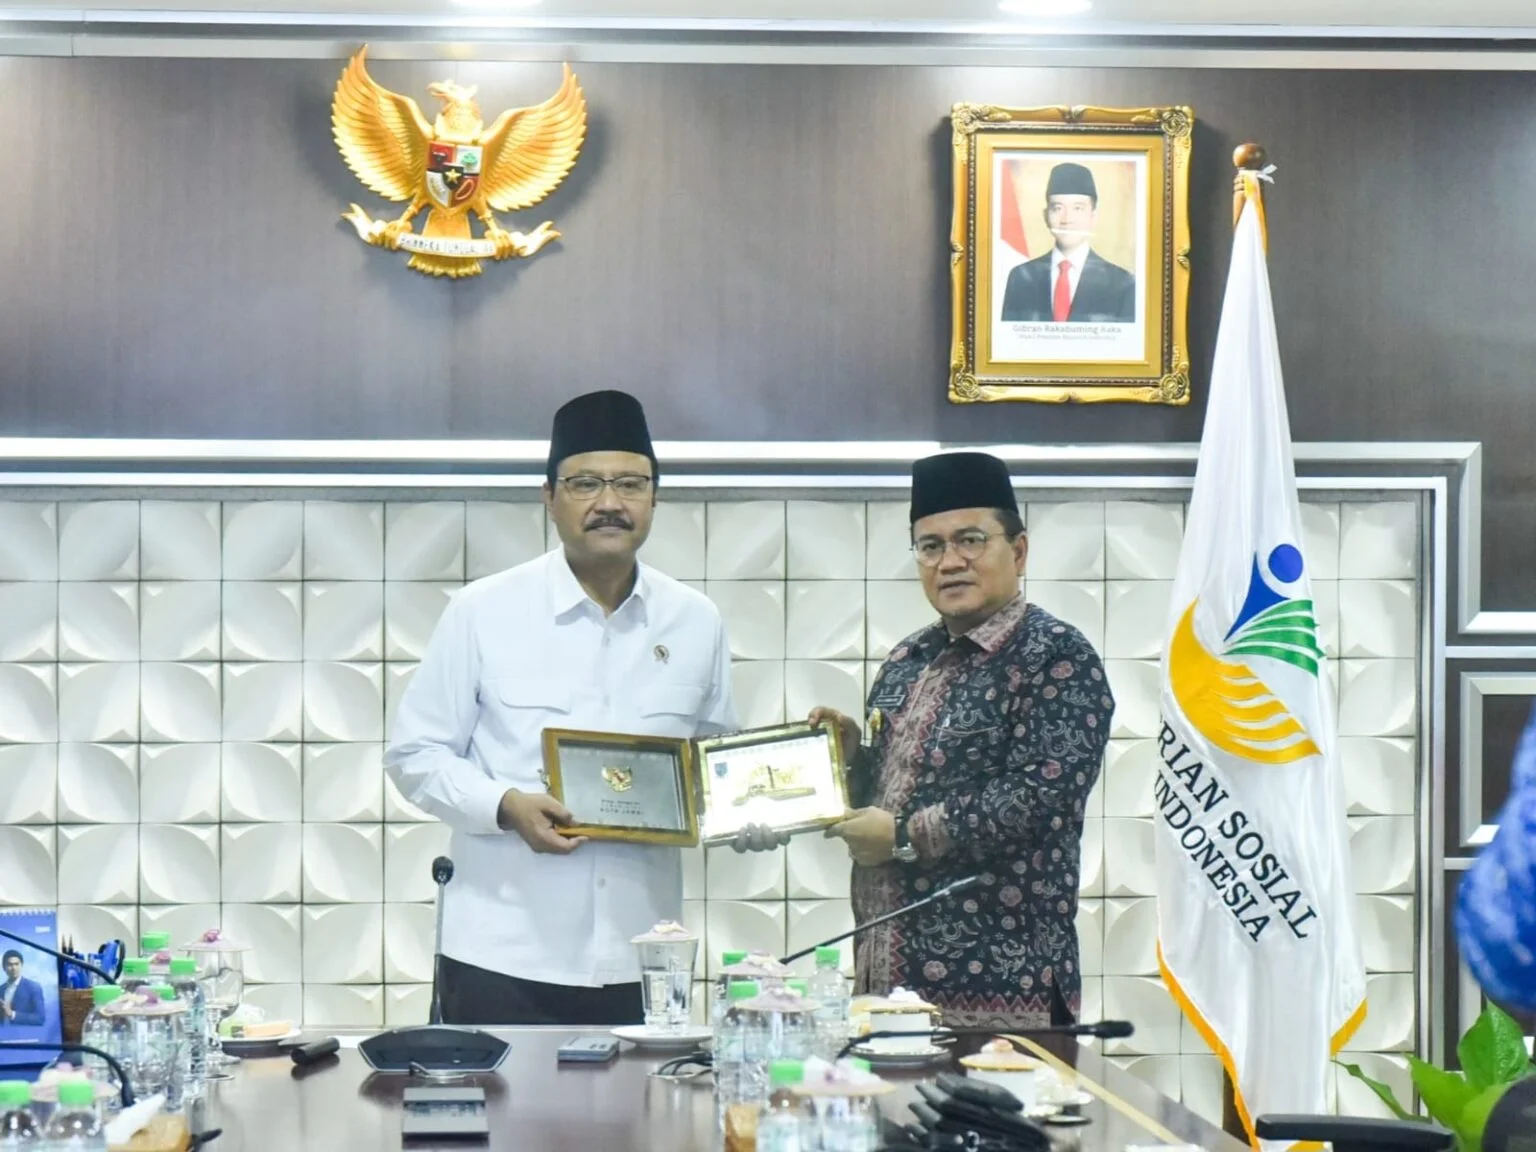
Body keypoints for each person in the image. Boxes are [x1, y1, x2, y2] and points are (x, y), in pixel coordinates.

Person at [386, 389, 737, 1027]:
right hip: (500, 951)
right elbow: (415, 755)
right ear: (549, 497)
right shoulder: (482, 611)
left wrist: (761, 806)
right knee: (493, 1099)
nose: (610, 503)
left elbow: (713, 768)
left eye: (630, 483)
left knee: (643, 1101)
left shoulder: (696, 621)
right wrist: (505, 805)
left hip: (644, 953)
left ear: (655, 497)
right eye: (585, 484)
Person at [744, 452, 1113, 1032]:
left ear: (1018, 551)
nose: (951, 562)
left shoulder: (1057, 656)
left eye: (971, 540)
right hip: (885, 988)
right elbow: (888, 794)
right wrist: (843, 765)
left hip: (1003, 999)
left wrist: (901, 837)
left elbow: (1039, 797)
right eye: (931, 546)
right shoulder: (907, 658)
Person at [999, 161, 1136, 324]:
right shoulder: (1021, 277)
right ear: (1046, 216)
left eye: (1078, 208)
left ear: (1093, 217)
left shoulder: (1122, 284)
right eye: (1057, 208)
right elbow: (1009, 337)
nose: (1067, 219)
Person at [0, 952, 45, 1027]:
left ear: (22, 965)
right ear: (4, 967)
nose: (13, 968)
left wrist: (12, 1014)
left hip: (22, 1033)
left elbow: (40, 1018)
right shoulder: (1, 989)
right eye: (10, 965)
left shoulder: (33, 987)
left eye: (16, 964)